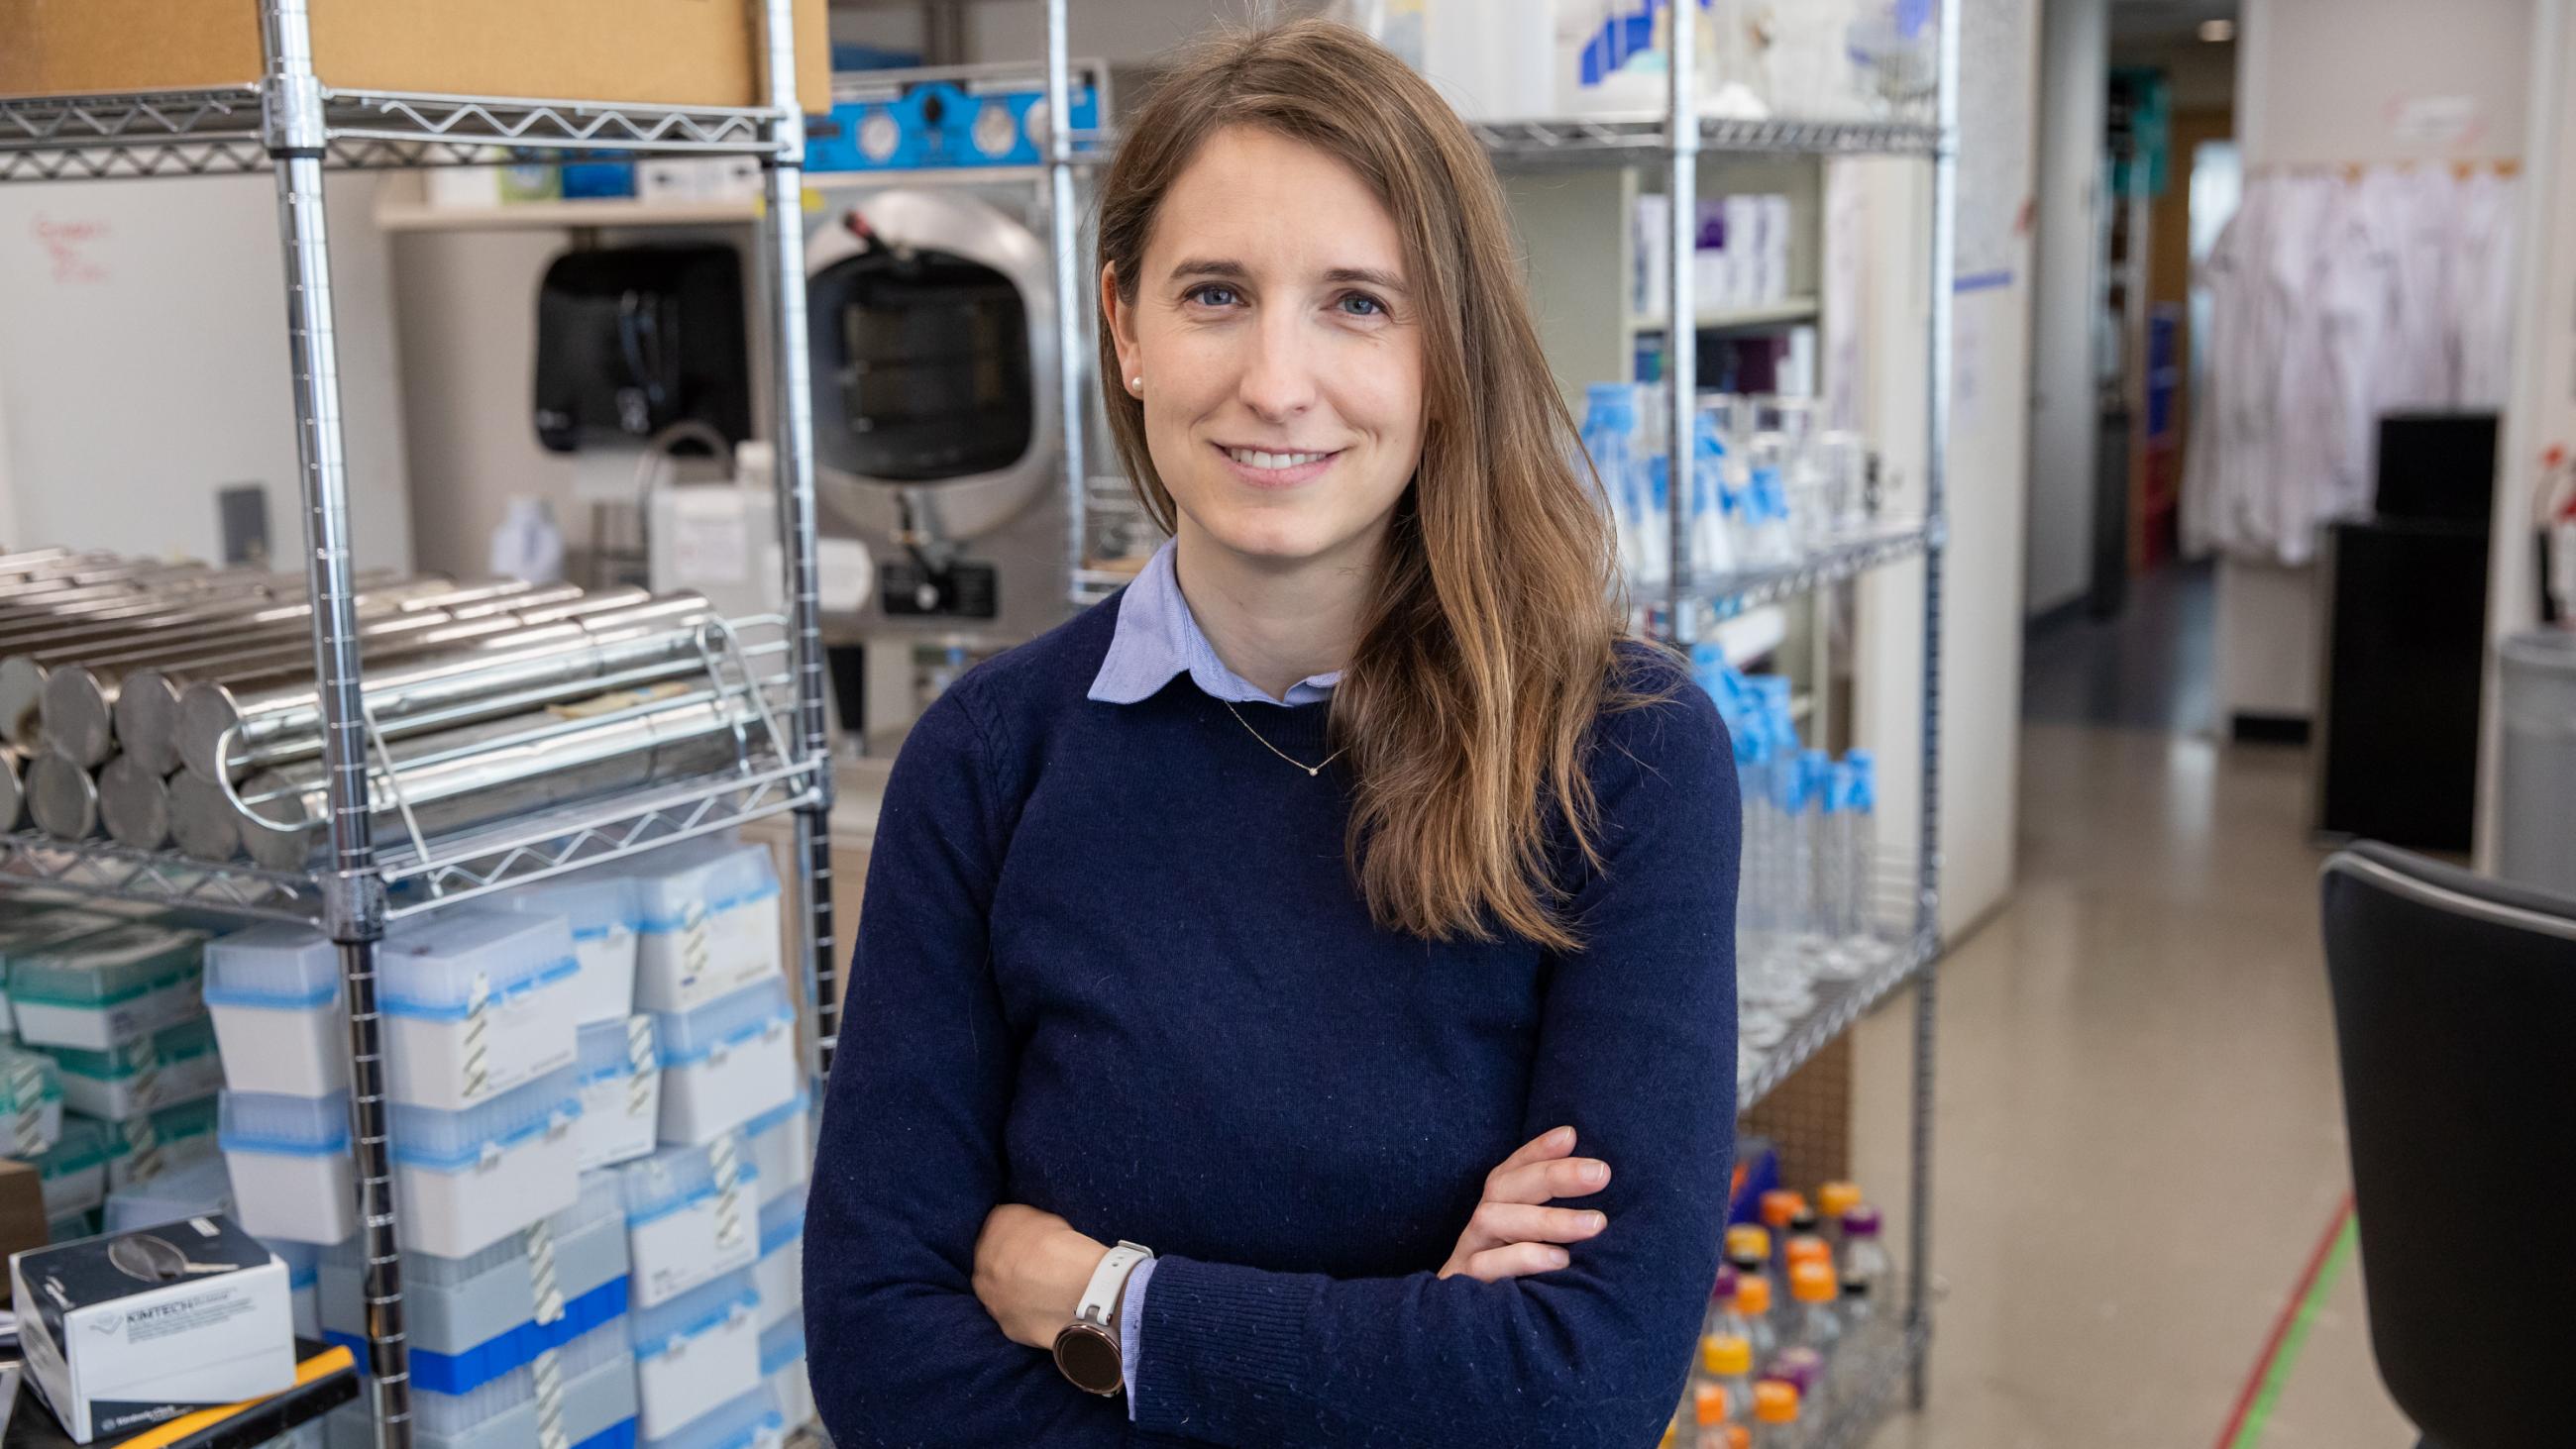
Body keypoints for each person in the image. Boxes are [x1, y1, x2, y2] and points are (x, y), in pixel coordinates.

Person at [806, 19, 1741, 1446]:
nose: (1277, 381)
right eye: (1216, 295)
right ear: (1125, 327)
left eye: (1358, 303)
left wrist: (1112, 1303)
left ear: (1450, 350)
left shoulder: (1622, 757)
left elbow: (1583, 1380)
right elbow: (882, 1349)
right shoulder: (992, 763)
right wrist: (1410, 1351)